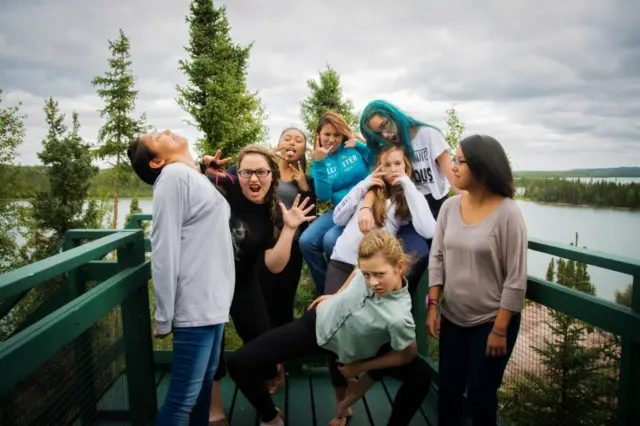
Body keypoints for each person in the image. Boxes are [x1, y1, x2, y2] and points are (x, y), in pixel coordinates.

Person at [226, 229, 432, 426]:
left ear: (400, 267)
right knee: (240, 362)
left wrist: (360, 368)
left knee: (420, 375)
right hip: (315, 325)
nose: (372, 282)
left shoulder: (398, 317)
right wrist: (337, 295)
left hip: (347, 348)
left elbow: (407, 353)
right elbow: (357, 270)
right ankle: (270, 417)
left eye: (379, 274)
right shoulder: (370, 265)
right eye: (367, 275)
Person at [127, 129, 235, 426]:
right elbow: (163, 248)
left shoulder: (187, 176)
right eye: (155, 136)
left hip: (211, 304)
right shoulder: (173, 177)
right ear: (156, 161)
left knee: (201, 392)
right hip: (195, 306)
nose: (165, 131)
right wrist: (164, 316)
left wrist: (201, 166)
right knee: (181, 401)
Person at [202, 145, 316, 425]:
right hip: (207, 282)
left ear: (272, 175)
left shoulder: (271, 212)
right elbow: (193, 184)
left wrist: (290, 229)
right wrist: (203, 169)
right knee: (210, 349)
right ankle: (216, 410)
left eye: (262, 172)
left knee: (264, 350)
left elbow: (275, 265)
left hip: (243, 284)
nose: (254, 179)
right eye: (247, 172)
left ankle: (265, 393)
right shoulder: (223, 190)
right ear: (236, 174)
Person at [426, 134, 527, 425]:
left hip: (491, 322)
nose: (452, 168)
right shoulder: (449, 208)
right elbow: (437, 258)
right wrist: (433, 304)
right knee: (448, 394)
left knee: (482, 398)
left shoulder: (508, 213)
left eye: (459, 161)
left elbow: (515, 278)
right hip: (453, 318)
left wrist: (499, 329)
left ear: (482, 166)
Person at [356, 100, 460, 294]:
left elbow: (456, 182)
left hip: (437, 208)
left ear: (393, 114)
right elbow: (375, 181)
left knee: (452, 259)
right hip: (408, 212)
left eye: (385, 126)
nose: (386, 135)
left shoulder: (428, 135)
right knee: (415, 254)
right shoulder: (394, 147)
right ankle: (397, 301)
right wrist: (366, 207)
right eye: (378, 134)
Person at [325, 145, 436, 295]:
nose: (393, 169)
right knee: (331, 312)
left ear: (406, 165)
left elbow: (429, 230)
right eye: (387, 165)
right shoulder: (367, 189)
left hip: (372, 268)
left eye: (398, 164)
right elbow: (337, 217)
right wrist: (364, 184)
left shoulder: (409, 196)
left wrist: (406, 183)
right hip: (343, 260)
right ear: (379, 168)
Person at [299, 111, 371, 294]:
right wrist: (320, 164)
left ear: (343, 134)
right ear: (319, 136)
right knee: (306, 241)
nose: (332, 139)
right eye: (327, 134)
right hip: (340, 210)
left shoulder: (353, 147)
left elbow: (377, 161)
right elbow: (324, 195)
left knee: (331, 240)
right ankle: (326, 289)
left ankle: (350, 289)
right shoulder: (318, 161)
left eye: (337, 134)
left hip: (365, 205)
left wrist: (361, 146)